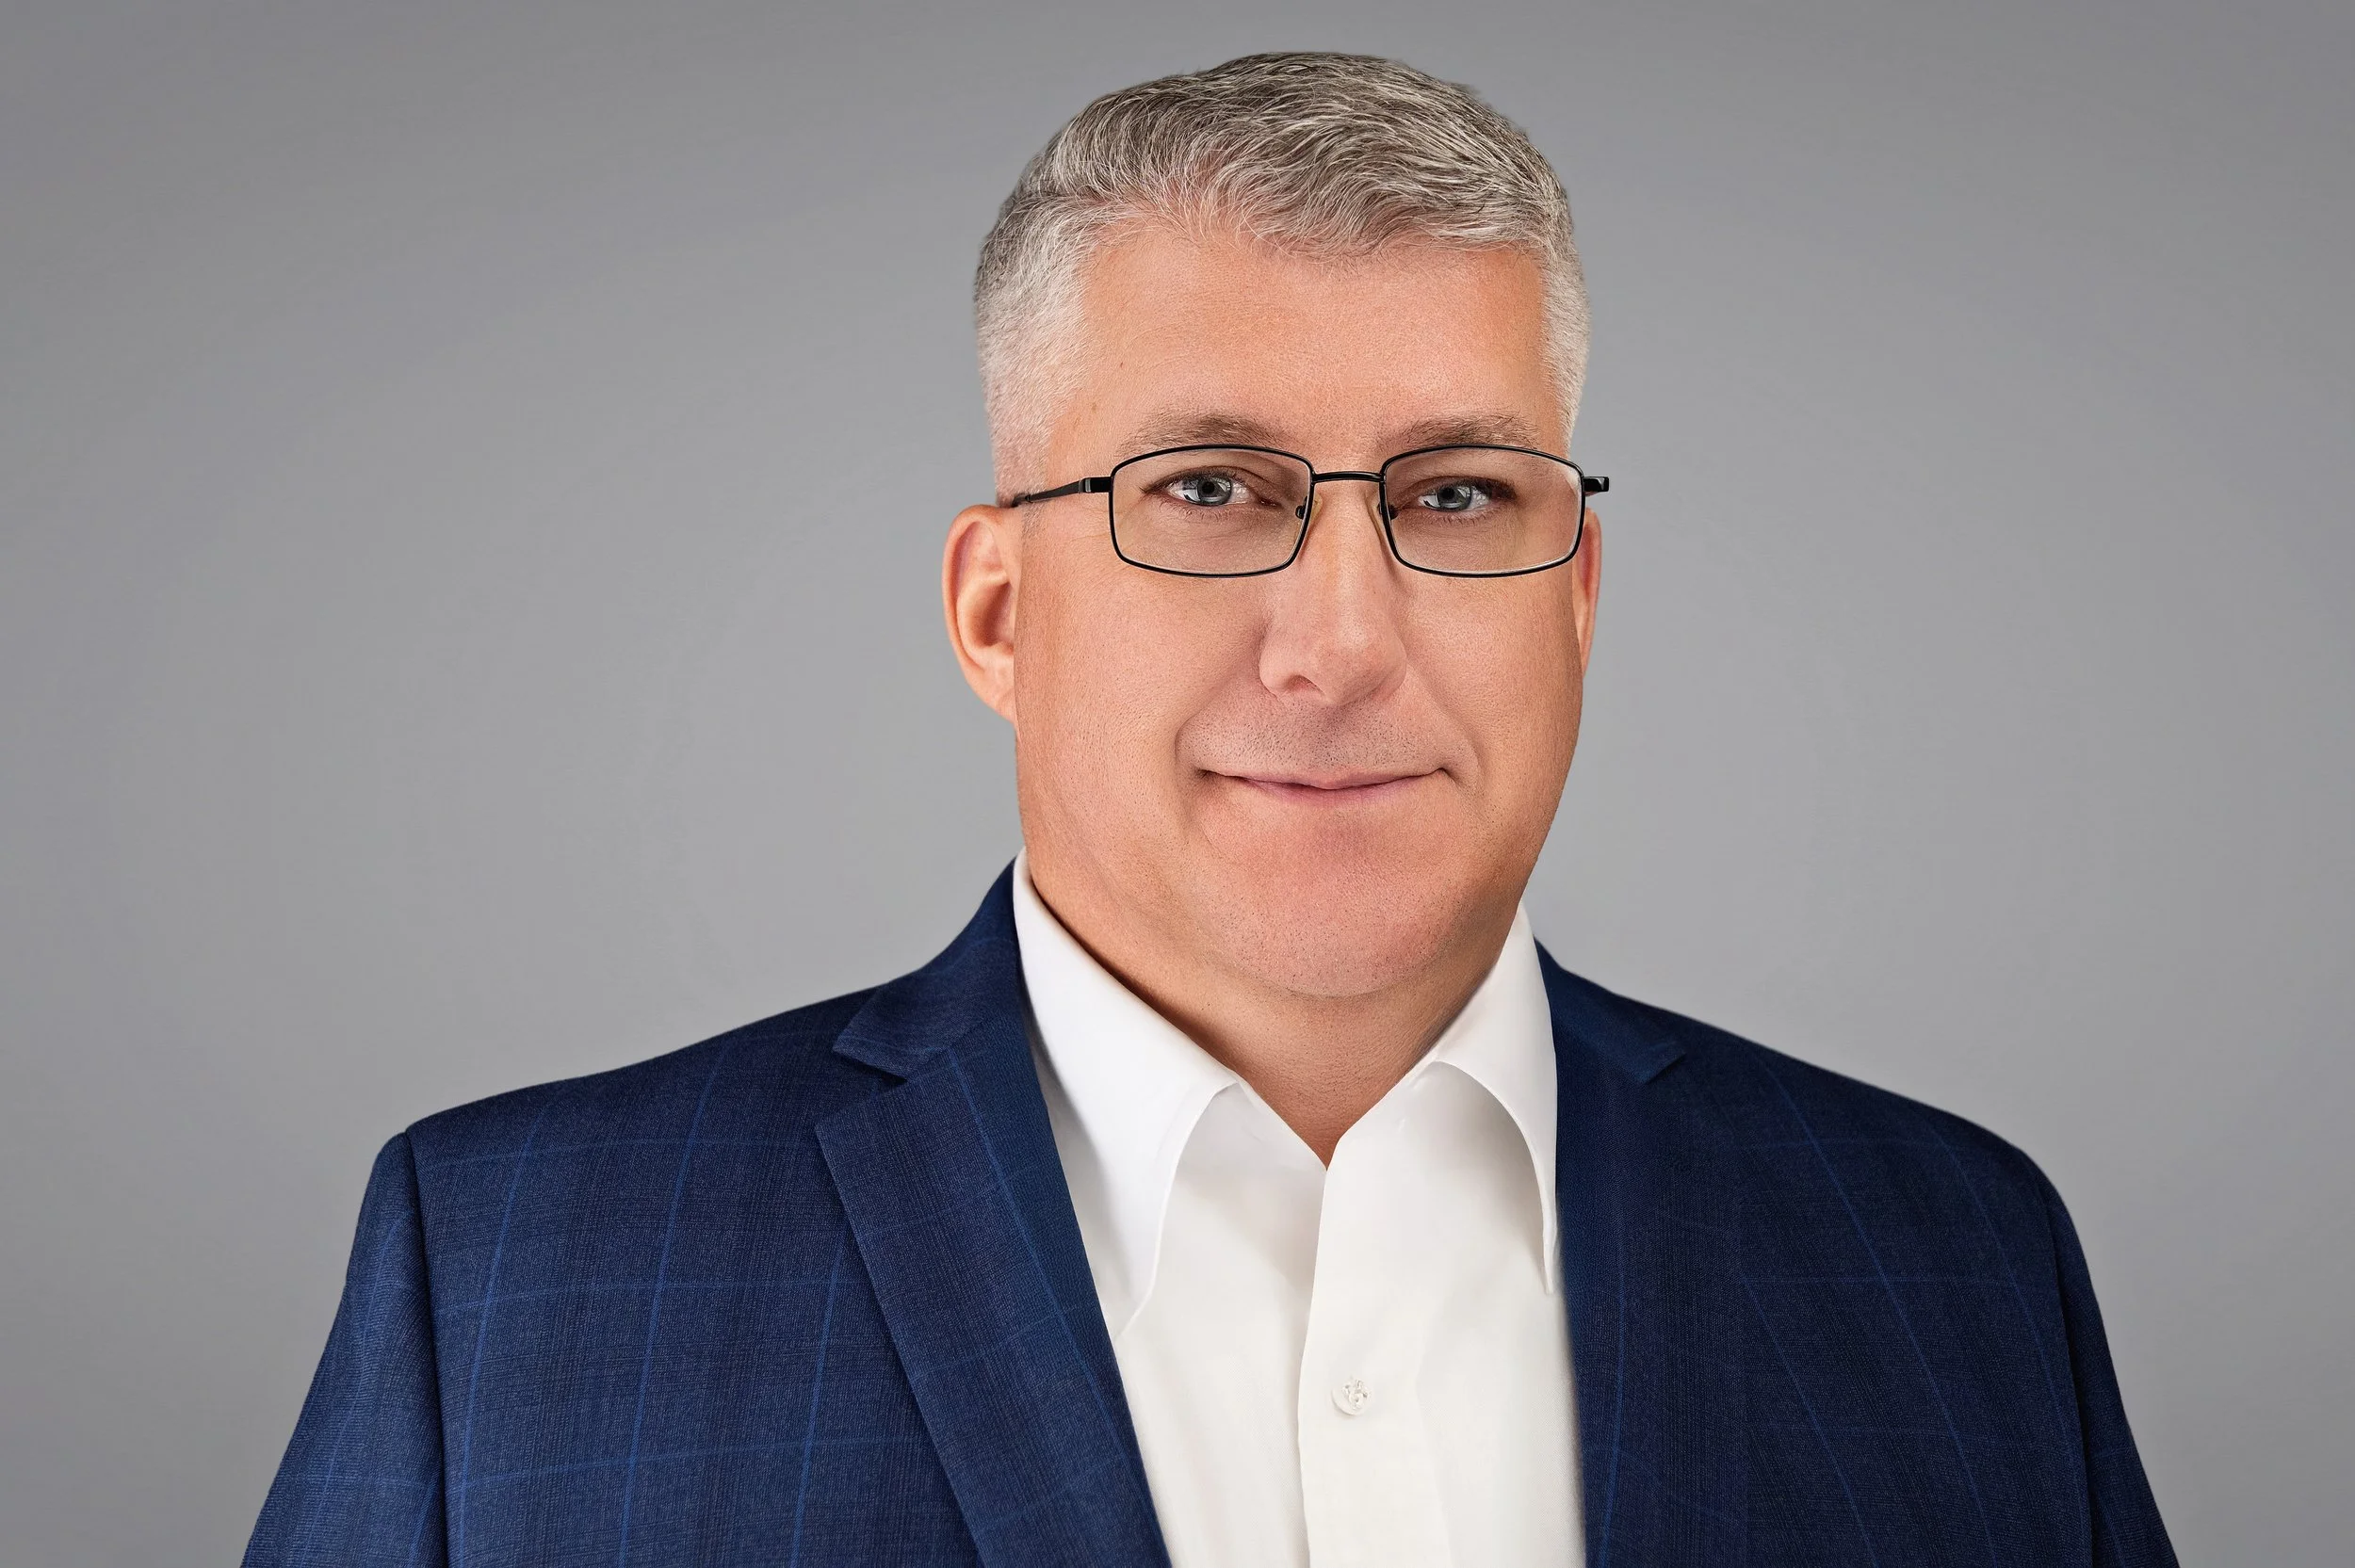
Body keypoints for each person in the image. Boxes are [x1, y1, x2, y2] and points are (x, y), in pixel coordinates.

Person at [245, 53, 2176, 1568]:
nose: (1339, 641)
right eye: (1204, 490)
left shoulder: (1951, 1253)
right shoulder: (508, 1277)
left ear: (1574, 599)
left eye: (1454, 497)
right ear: (997, 611)